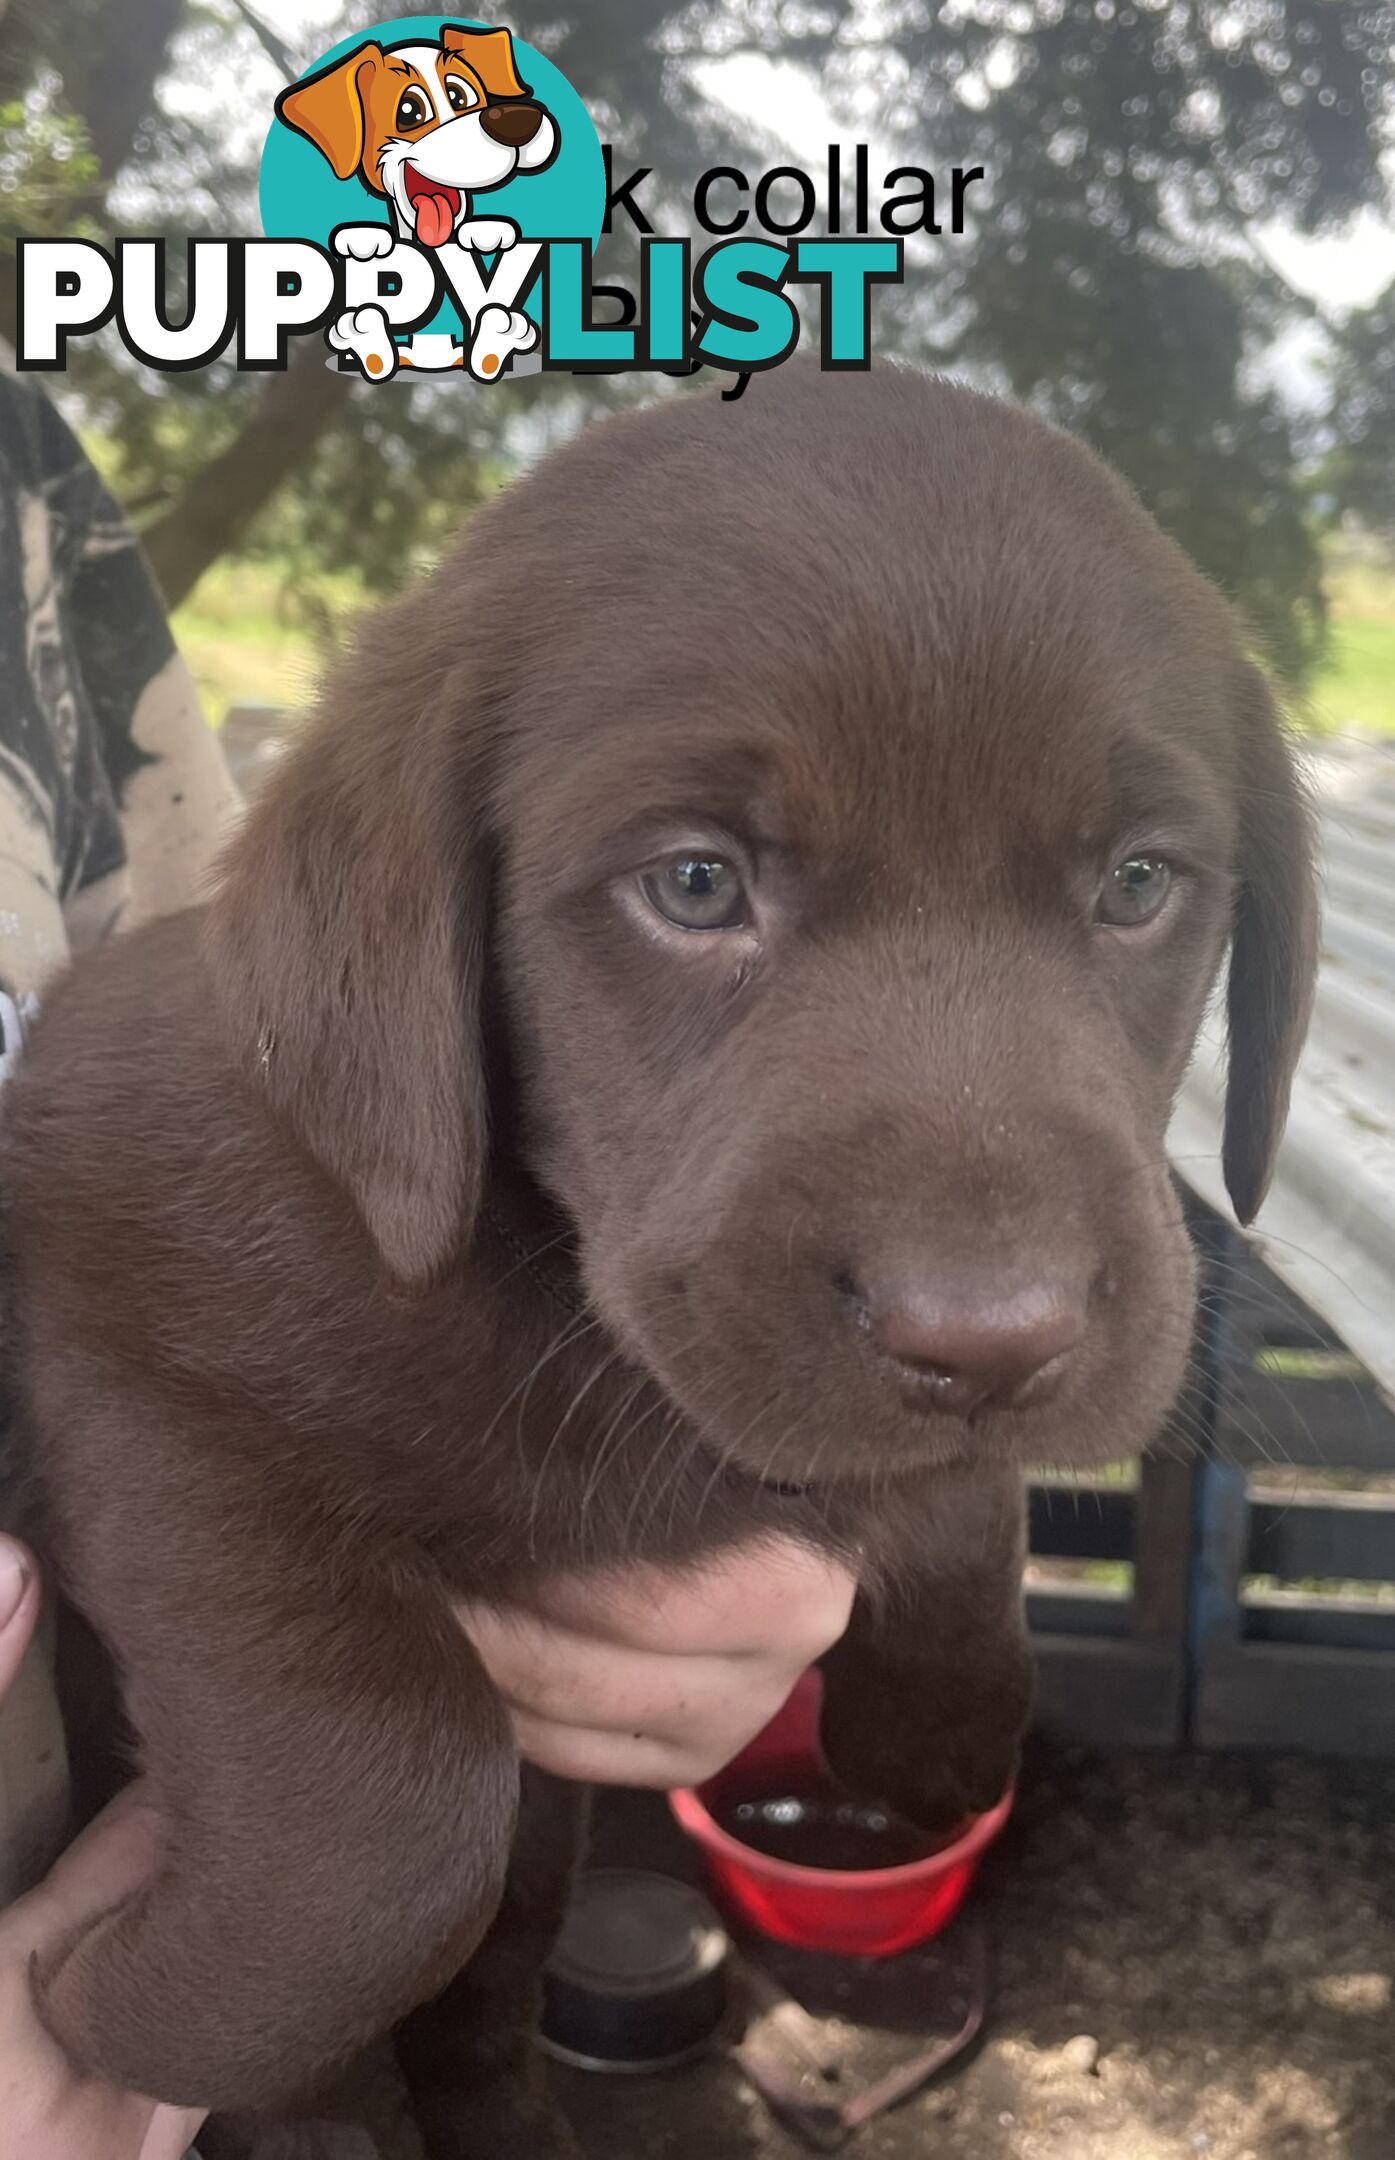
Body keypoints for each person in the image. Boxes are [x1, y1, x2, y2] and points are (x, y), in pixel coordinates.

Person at [0, 360, 858, 2155]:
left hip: (168, 1921)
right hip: (188, 1985)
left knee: (476, 1919)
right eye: (699, 882)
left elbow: (207, 1105)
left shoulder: (18, 471)